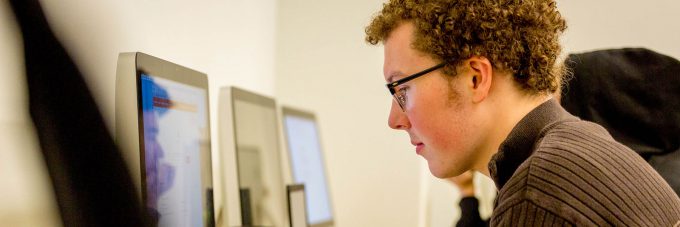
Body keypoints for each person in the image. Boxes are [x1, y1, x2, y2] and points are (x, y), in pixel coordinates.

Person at [364, 0, 680, 225]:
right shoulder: (579, 142)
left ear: (475, 78)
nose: (395, 120)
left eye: (402, 90)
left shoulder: (538, 194)